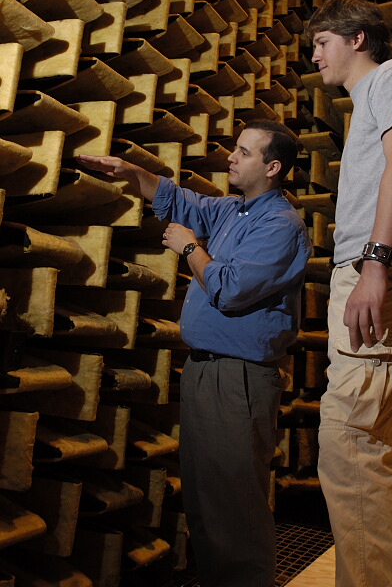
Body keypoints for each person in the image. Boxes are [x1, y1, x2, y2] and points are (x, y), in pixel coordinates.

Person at [77, 119, 312, 587]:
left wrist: (189, 248)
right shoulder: (234, 210)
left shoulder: (281, 226)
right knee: (205, 502)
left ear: (272, 167)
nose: (231, 157)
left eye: (244, 152)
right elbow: (177, 197)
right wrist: (128, 171)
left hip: (240, 379)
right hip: (208, 373)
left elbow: (230, 289)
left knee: (235, 507)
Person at [307, 0, 392, 587]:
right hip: (381, 269)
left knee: (351, 442)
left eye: (321, 42)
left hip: (386, 270)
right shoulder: (371, 97)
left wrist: (375, 264)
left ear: (357, 38)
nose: (314, 56)